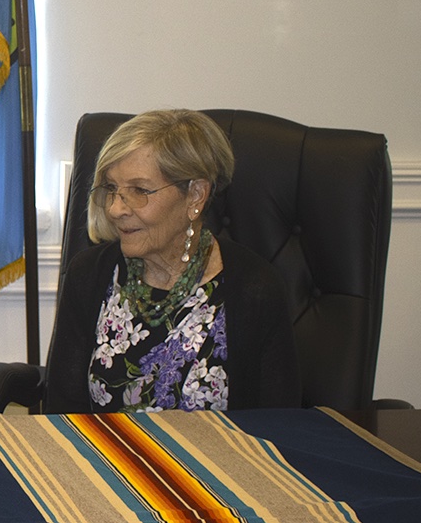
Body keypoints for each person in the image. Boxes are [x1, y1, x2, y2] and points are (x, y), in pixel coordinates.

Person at [46, 109, 301, 413]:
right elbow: (60, 412)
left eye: (139, 190)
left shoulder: (255, 289)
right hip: (104, 456)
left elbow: (277, 424)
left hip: (213, 460)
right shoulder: (90, 275)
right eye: (112, 189)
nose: (115, 209)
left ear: (195, 195)